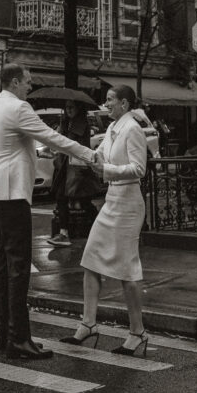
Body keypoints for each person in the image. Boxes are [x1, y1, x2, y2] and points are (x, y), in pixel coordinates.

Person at [0, 63, 96, 361]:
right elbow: (52, 137)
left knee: (3, 262)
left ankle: (3, 333)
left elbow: (9, 145)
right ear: (15, 82)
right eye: (27, 82)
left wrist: (36, 152)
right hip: (12, 191)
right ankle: (19, 339)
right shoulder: (19, 108)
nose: (30, 87)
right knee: (18, 265)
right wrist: (90, 154)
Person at [61, 84, 148, 356]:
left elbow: (139, 169)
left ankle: (138, 333)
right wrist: (91, 159)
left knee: (127, 270)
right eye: (107, 99)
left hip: (129, 203)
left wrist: (106, 168)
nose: (106, 103)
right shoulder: (112, 129)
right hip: (111, 200)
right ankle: (88, 324)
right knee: (91, 259)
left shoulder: (132, 129)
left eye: (111, 99)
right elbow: (102, 159)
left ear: (124, 103)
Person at [48, 101, 99, 246]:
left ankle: (101, 227)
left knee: (84, 201)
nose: (68, 110)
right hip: (64, 167)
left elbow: (79, 146)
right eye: (67, 107)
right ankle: (64, 233)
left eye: (71, 107)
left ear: (78, 108)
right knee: (61, 197)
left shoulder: (81, 125)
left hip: (77, 169)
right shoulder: (65, 123)